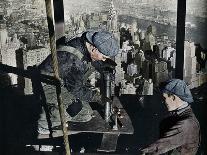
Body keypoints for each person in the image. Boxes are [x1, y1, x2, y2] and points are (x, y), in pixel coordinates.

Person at [37, 30, 119, 133]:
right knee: (83, 113)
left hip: (62, 81)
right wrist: (97, 97)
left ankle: (54, 107)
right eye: (103, 57)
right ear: (94, 48)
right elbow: (77, 89)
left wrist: (103, 67)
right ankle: (44, 122)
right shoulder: (73, 60)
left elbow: (88, 59)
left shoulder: (82, 44)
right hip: (47, 86)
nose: (103, 60)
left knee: (86, 111)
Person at [140, 79, 200, 155]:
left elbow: (160, 146)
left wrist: (143, 151)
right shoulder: (181, 115)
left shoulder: (186, 124)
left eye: (164, 98)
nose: (163, 101)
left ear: (173, 97)